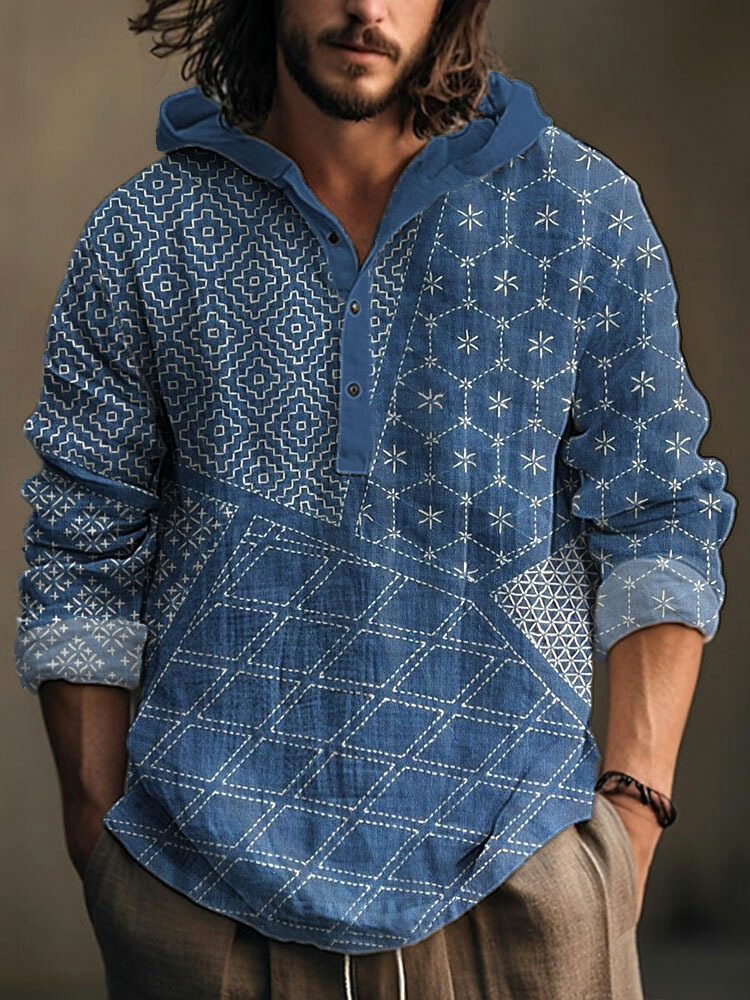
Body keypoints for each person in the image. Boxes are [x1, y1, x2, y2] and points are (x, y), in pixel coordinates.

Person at [13, 1, 737, 998]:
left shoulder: (581, 212)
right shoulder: (144, 233)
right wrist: (102, 843)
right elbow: (82, 548)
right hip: (201, 904)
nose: (367, 7)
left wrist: (631, 822)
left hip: (520, 893)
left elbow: (659, 515)